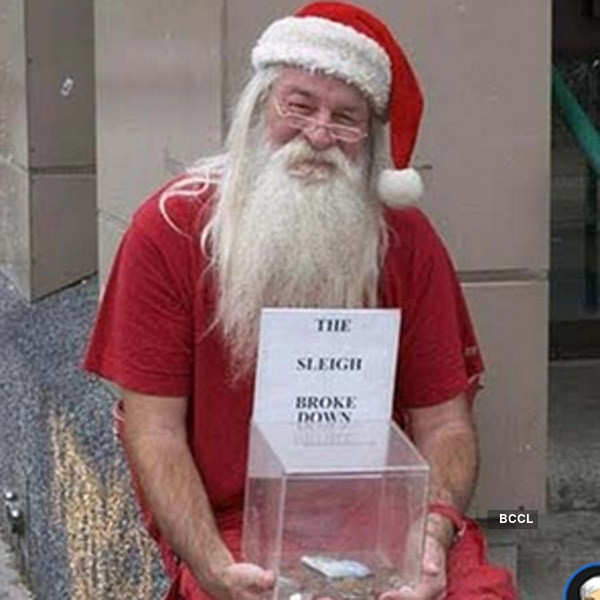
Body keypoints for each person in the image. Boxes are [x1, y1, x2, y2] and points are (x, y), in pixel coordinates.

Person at [84, 2, 518, 599]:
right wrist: (209, 562)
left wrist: (434, 533)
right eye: (300, 105)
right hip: (235, 525)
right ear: (260, 106)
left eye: (346, 118)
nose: (318, 134)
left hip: (390, 520)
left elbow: (446, 422)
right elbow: (153, 430)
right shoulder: (170, 230)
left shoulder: (406, 243)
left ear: (369, 137)